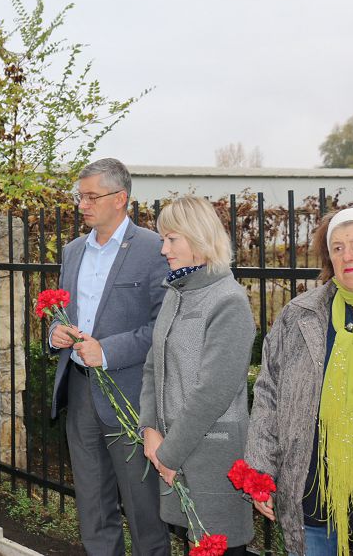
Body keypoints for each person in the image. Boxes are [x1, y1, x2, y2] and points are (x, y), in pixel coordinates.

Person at [246, 205, 353, 556]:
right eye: (337, 247)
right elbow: (268, 394)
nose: (347, 255)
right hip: (310, 501)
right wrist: (261, 470)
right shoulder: (300, 315)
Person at [49, 158, 170, 556]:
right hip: (80, 392)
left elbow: (163, 328)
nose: (82, 204)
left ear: (120, 198)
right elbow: (64, 313)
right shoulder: (73, 251)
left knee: (143, 509)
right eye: (79, 196)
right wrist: (55, 333)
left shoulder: (154, 249)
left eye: (91, 196)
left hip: (130, 396)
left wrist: (108, 350)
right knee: (93, 508)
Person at [139, 195, 256, 554]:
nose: (163, 249)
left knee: (218, 546)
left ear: (199, 237)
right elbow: (153, 365)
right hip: (172, 448)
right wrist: (149, 429)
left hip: (211, 455)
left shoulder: (228, 300)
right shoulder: (177, 292)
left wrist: (167, 454)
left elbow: (214, 392)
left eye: (172, 239)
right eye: (163, 239)